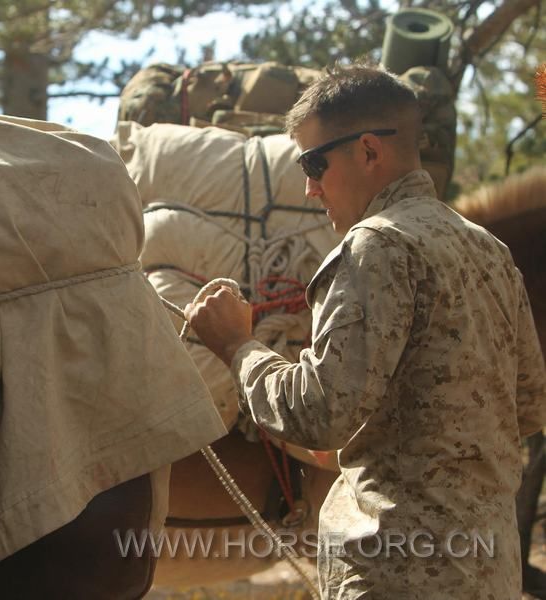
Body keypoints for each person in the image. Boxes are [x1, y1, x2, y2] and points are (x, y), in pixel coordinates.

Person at [184, 65, 546, 598]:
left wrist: (237, 345)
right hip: (487, 571)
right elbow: (531, 403)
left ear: (369, 151)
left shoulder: (374, 246)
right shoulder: (489, 250)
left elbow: (319, 414)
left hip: (393, 571)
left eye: (314, 162)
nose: (309, 187)